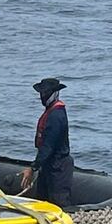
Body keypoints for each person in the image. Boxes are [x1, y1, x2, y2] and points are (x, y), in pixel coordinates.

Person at [21, 77, 74, 207]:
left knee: (59, 202)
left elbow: (48, 146)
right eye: (41, 93)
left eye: (45, 93)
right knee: (42, 200)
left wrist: (33, 168)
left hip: (58, 165)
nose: (42, 96)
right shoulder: (51, 112)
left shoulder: (56, 115)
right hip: (48, 164)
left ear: (54, 93)